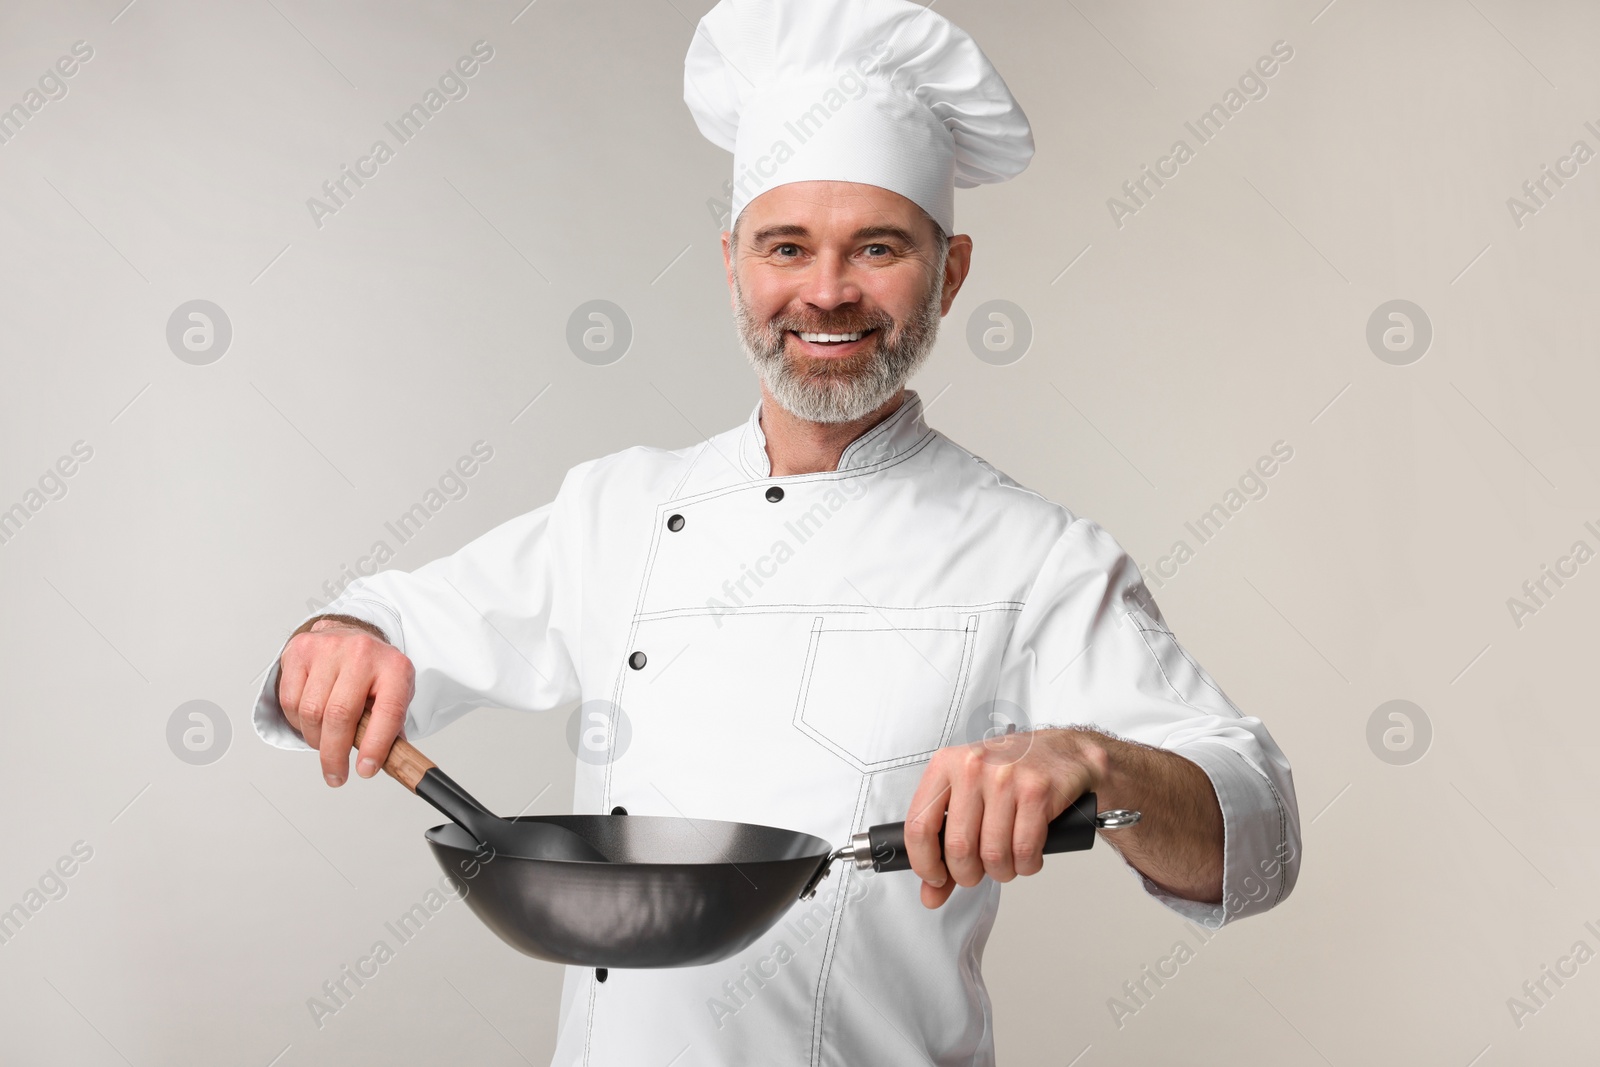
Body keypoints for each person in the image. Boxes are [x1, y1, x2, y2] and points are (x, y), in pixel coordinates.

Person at [254, 0, 1301, 1062]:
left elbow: (1254, 832)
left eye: (877, 246)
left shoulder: (1035, 555)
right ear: (732, 265)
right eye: (786, 246)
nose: (827, 291)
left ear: (951, 272)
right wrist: (339, 637)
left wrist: (1094, 761)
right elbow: (385, 627)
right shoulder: (614, 509)